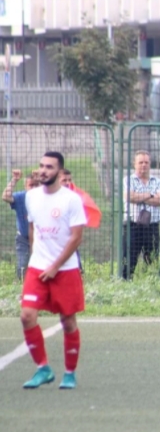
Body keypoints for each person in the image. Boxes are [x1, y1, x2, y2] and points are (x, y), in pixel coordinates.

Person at [19, 151, 86, 390]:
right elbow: (32, 229)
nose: (43, 170)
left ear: (59, 171)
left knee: (67, 321)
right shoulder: (31, 197)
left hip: (65, 270)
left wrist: (55, 266)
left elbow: (76, 237)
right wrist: (35, 258)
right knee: (27, 316)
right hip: (37, 268)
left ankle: (69, 373)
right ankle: (43, 369)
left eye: (49, 167)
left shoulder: (71, 200)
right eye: (41, 166)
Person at [122, 151, 160, 279]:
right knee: (129, 258)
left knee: (152, 259)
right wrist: (150, 195)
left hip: (152, 226)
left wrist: (139, 197)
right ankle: (125, 282)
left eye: (146, 162)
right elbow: (130, 197)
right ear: (134, 164)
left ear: (150, 164)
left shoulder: (158, 181)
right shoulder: (128, 180)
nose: (143, 165)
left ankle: (150, 283)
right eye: (140, 162)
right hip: (132, 225)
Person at [3, 170, 40, 280]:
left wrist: (41, 178)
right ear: (25, 186)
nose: (34, 188)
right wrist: (14, 180)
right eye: (31, 185)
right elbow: (6, 196)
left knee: (42, 266)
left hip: (41, 238)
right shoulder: (21, 197)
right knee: (22, 266)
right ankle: (21, 285)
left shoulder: (44, 197)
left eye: (36, 185)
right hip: (23, 238)